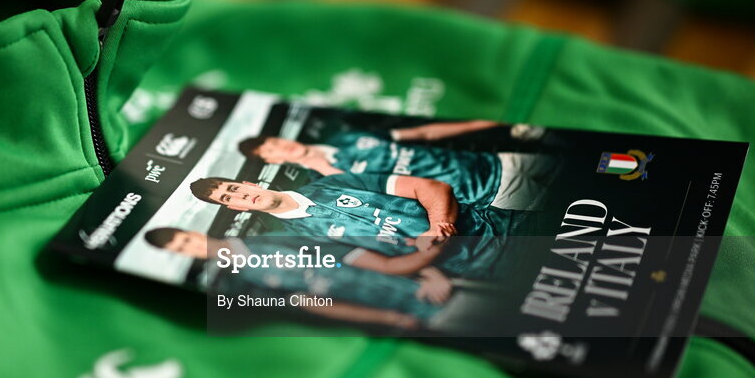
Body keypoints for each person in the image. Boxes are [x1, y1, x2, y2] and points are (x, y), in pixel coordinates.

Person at [188, 173, 519, 279]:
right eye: (228, 198)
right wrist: (433, 253)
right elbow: (386, 267)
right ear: (232, 207)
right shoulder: (294, 239)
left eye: (233, 187)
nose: (239, 195)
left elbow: (432, 188)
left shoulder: (332, 183)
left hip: (502, 224)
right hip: (482, 268)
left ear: (247, 183)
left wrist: (438, 226)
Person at [143, 227, 453, 325]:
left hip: (437, 288)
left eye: (185, 239)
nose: (192, 247)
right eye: (182, 249)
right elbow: (316, 305)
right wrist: (389, 319)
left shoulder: (274, 236)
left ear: (192, 232)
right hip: (412, 319)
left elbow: (363, 252)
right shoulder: (240, 284)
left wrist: (431, 272)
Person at [238, 122, 556, 211]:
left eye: (276, 140)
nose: (282, 146)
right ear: (272, 161)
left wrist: (484, 123)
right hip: (491, 192)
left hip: (499, 159)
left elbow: (423, 133)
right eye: (273, 151)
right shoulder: (325, 184)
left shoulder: (348, 137)